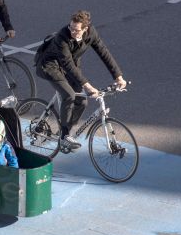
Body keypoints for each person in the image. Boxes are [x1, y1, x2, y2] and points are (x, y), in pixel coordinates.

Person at [35, 10, 127, 150]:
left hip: (70, 68)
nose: (72, 31)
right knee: (69, 95)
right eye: (71, 27)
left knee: (82, 101)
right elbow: (68, 64)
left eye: (76, 30)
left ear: (85, 29)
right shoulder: (62, 36)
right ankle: (64, 136)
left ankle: (67, 130)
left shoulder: (91, 33)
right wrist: (87, 85)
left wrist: (118, 76)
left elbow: (103, 52)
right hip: (50, 66)